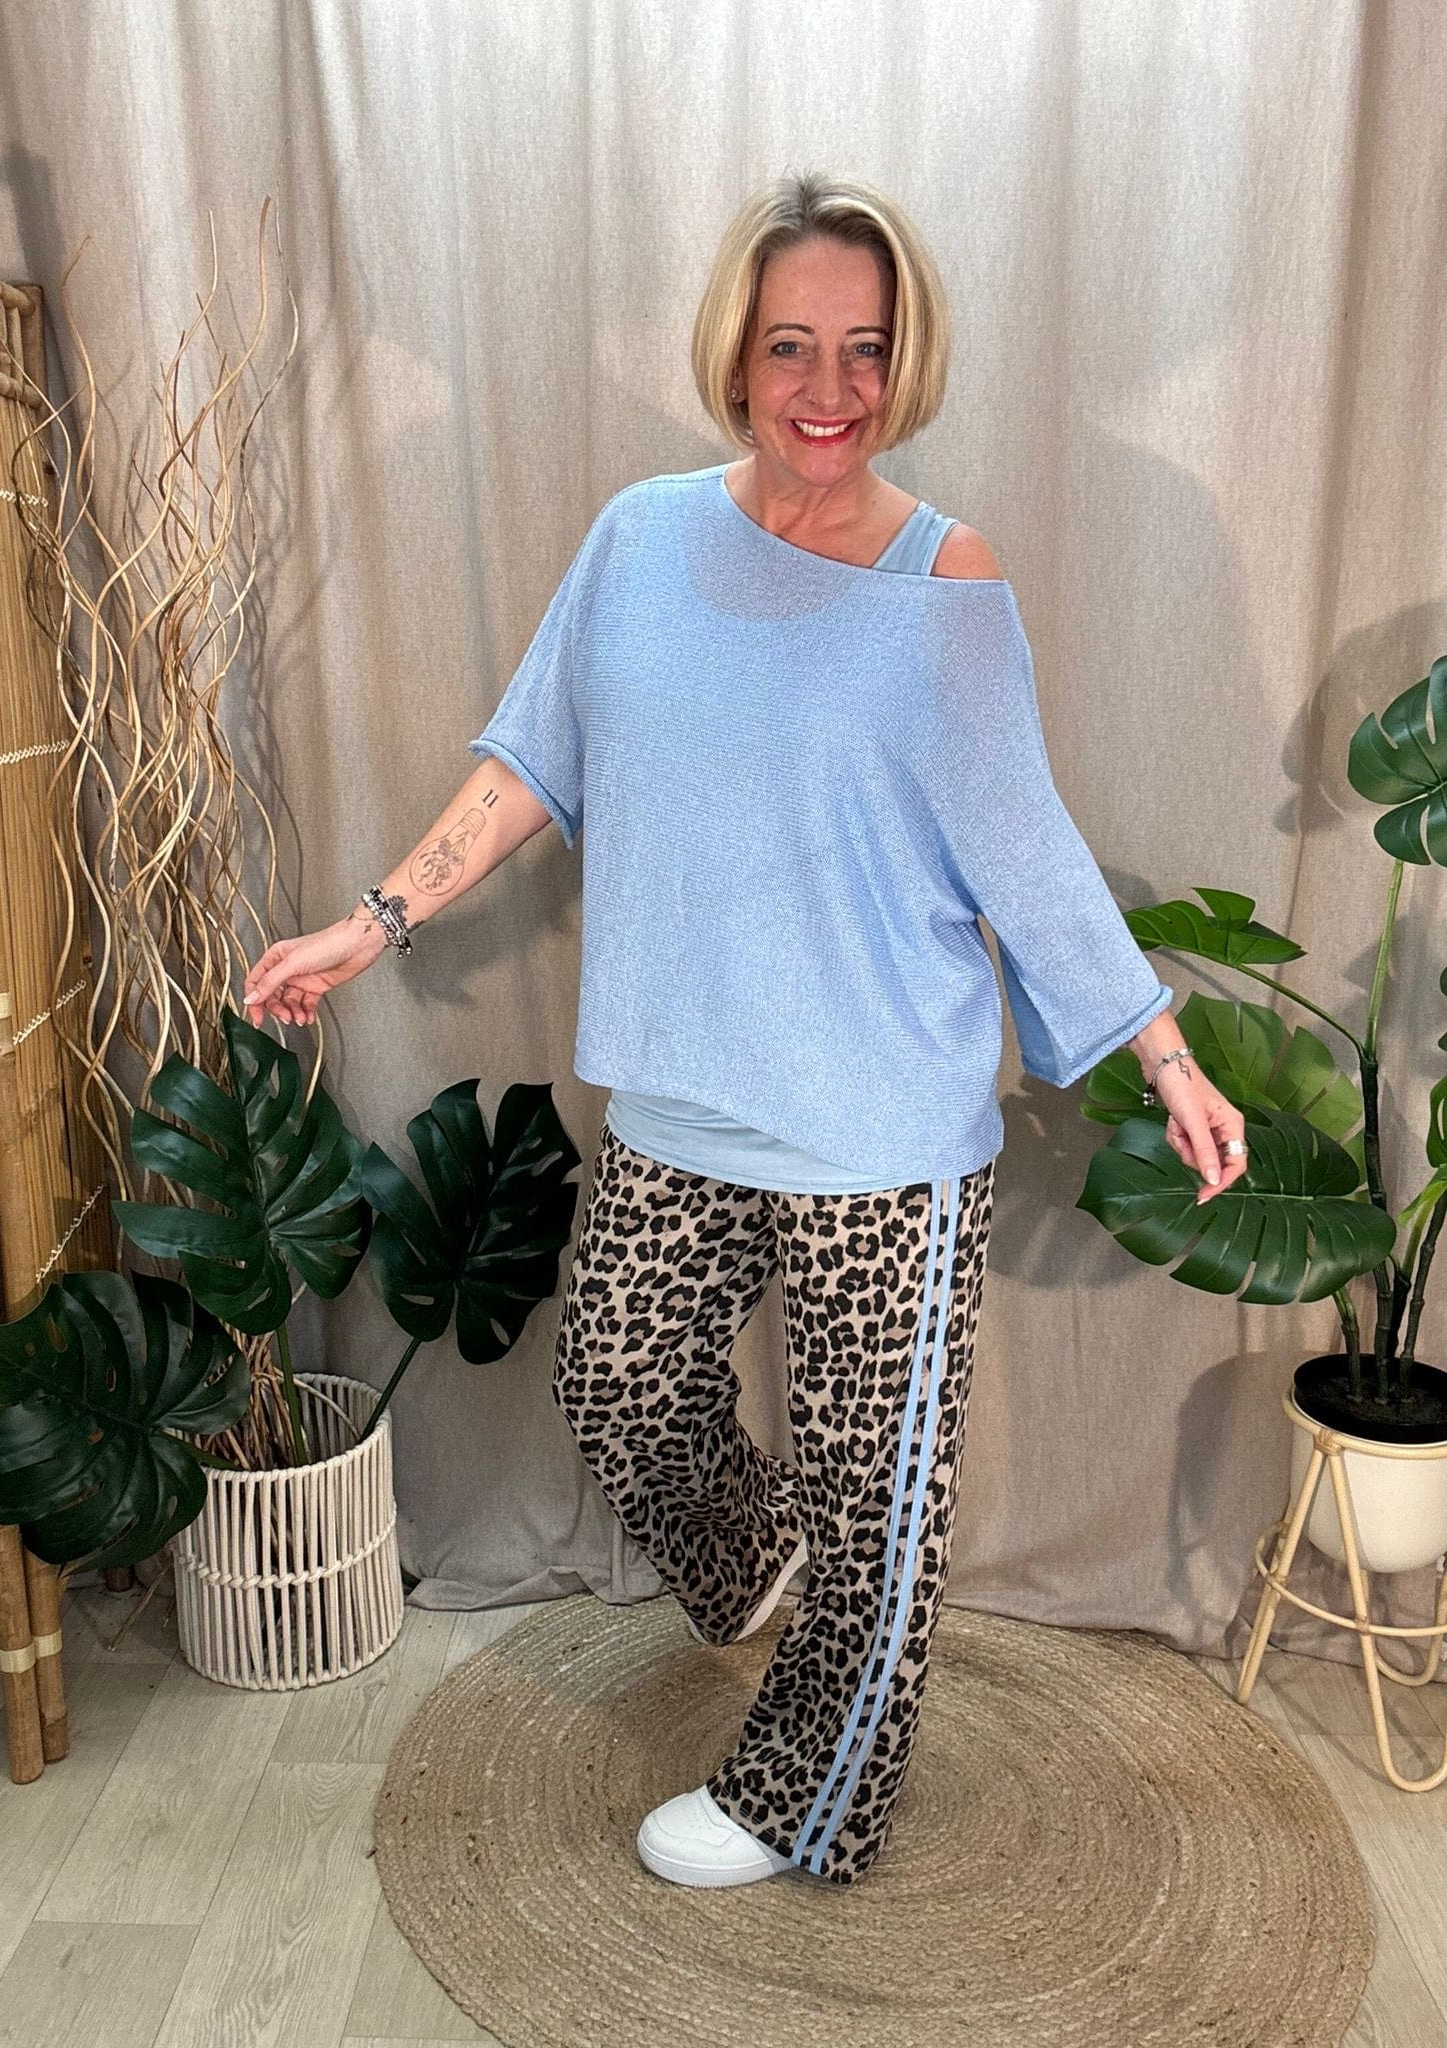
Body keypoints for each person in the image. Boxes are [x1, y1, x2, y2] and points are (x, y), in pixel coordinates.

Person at [243, 170, 1248, 1892]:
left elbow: (1025, 846)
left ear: (906, 361)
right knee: (620, 1386)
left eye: (866, 348)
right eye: (793, 345)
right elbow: (530, 761)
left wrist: (1164, 1054)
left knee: (875, 1509)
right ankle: (774, 1573)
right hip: (686, 1096)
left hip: (881, 1124)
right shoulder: (640, 543)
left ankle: (807, 1797)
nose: (830, 389)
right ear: (736, 352)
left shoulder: (943, 577)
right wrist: (375, 919)